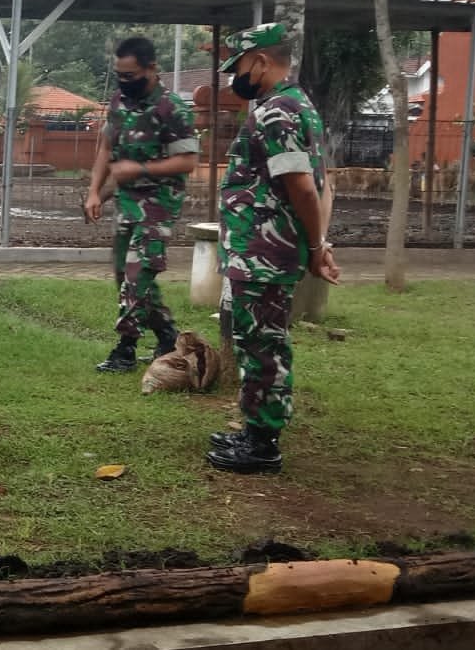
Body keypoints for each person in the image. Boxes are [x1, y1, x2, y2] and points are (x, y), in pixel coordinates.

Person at [206, 23, 341, 475]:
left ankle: (262, 445)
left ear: (261, 61)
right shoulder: (300, 106)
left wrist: (317, 243)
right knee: (261, 340)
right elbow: (322, 182)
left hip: (264, 249)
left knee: (261, 344)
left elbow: (302, 186)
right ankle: (254, 431)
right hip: (271, 247)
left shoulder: (275, 112)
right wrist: (315, 245)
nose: (235, 78)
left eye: (239, 67)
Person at [82, 37, 199, 373]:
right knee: (125, 273)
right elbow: (106, 148)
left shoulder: (171, 108)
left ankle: (126, 348)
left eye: (131, 75)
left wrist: (141, 169)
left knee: (137, 272)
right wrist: (95, 192)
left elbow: (188, 161)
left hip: (159, 202)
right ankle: (166, 337)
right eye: (120, 74)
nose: (124, 81)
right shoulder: (119, 101)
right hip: (126, 201)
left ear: (152, 68)